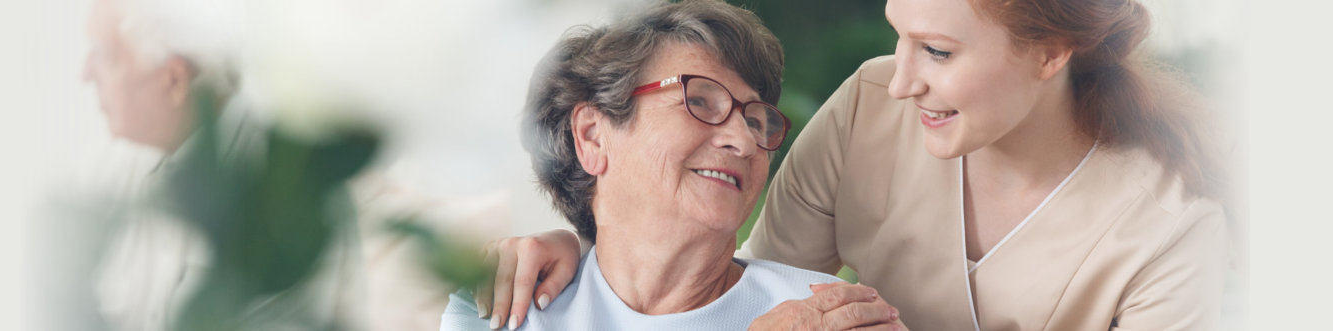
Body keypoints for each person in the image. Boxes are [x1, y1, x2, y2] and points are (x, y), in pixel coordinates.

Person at [479, 0, 1234, 329]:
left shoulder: (1167, 234)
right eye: (897, 34)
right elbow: (731, 285)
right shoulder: (873, 103)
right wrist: (586, 244)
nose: (900, 77)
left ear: (1051, 52)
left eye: (937, 51)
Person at [441, 1, 906, 330]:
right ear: (592, 135)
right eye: (701, 100)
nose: (743, 140)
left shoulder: (829, 315)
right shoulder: (502, 304)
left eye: (755, 120)